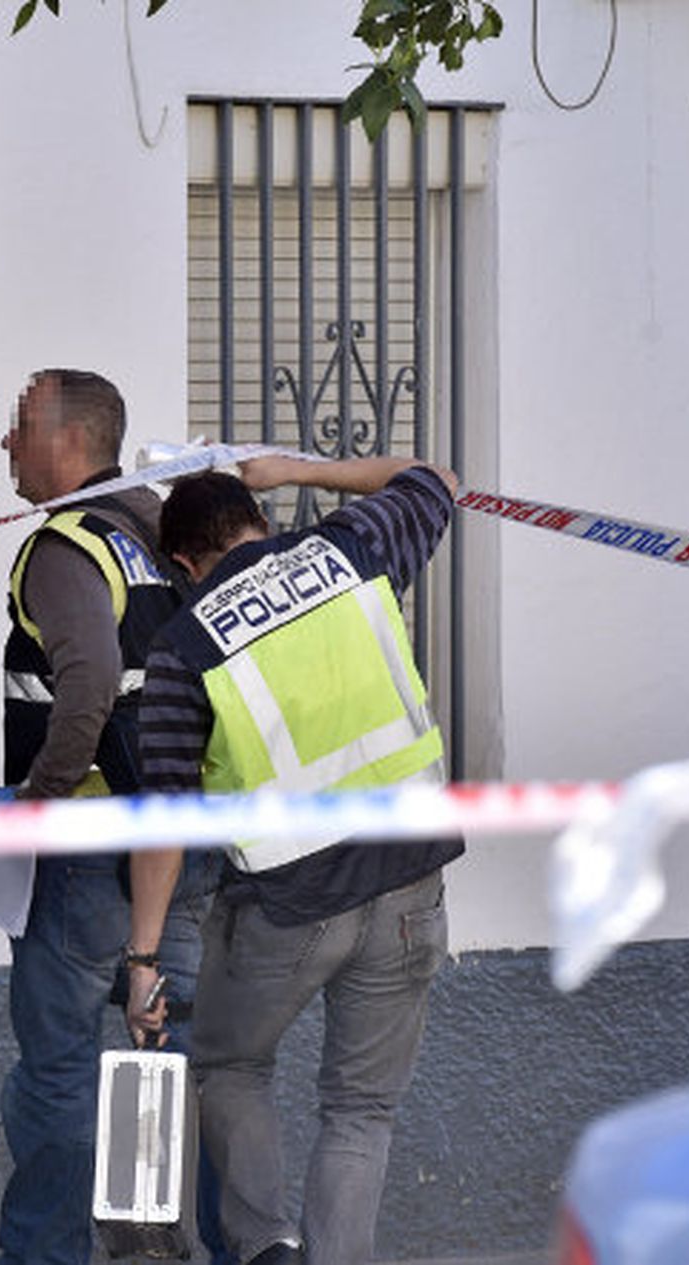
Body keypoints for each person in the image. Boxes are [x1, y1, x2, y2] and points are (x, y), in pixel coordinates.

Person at [123, 454, 464, 1265]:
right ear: (261, 519)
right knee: (361, 1108)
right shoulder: (353, 547)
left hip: (288, 905)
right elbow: (435, 478)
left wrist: (143, 960)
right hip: (411, 881)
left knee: (230, 1063)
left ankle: (267, 1244)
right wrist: (297, 467)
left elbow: (164, 819)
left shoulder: (184, 643)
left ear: (182, 563)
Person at [0, 367, 221, 1265]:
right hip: (177, 846)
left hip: (87, 853)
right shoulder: (163, 535)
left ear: (68, 440)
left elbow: (86, 688)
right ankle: (141, 1253)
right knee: (151, 1063)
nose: (5, 445)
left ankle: (48, 1257)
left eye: (19, 427)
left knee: (56, 1074)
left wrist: (35, 802)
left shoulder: (66, 545)